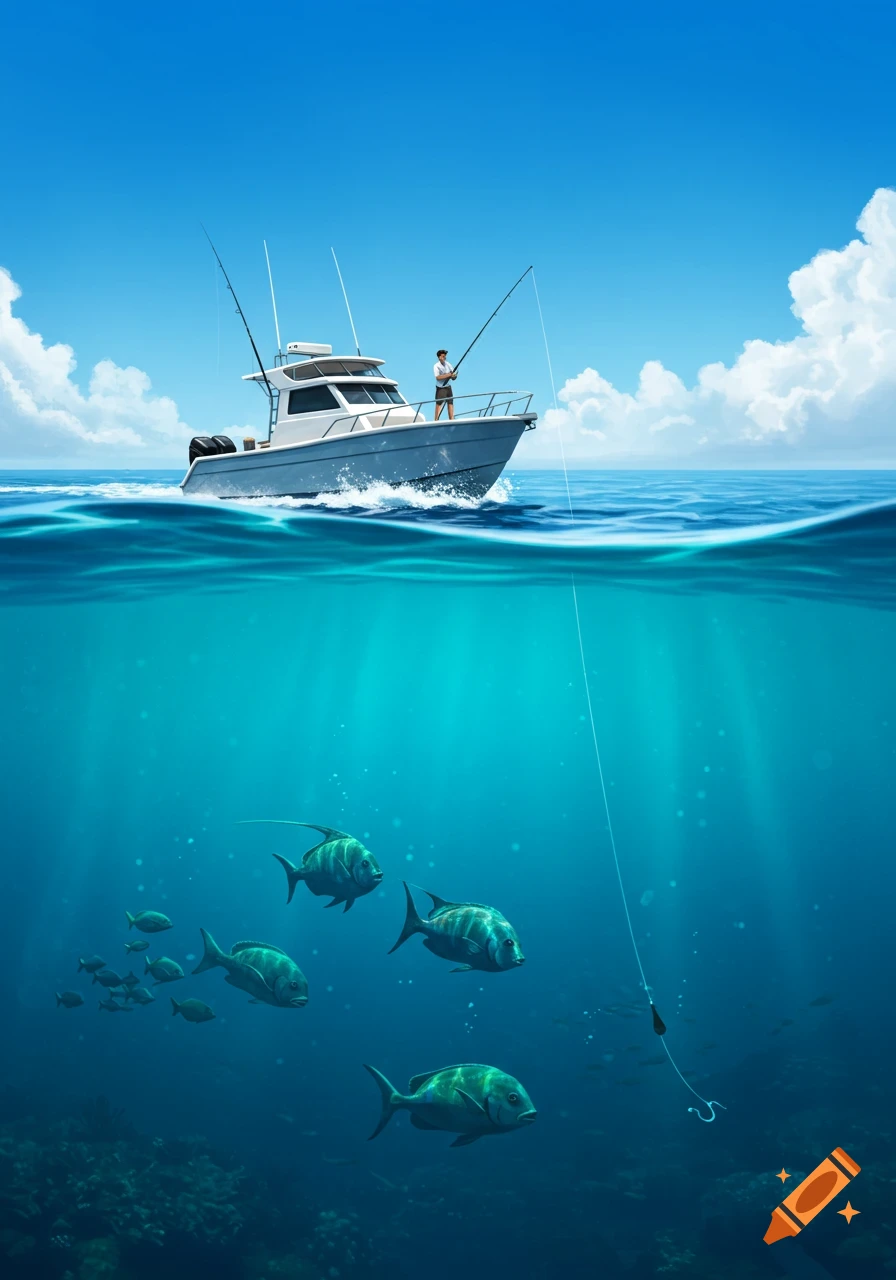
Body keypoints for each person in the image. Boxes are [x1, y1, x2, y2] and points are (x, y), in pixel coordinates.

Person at [433, 349, 457, 420]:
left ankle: (452, 420)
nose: (444, 358)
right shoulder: (436, 366)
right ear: (439, 357)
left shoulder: (448, 364)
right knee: (439, 403)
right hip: (441, 388)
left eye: (445, 356)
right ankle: (436, 420)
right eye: (443, 356)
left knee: (450, 403)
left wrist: (454, 376)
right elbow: (438, 377)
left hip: (448, 387)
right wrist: (449, 375)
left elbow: (453, 375)